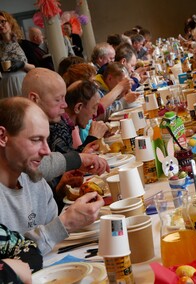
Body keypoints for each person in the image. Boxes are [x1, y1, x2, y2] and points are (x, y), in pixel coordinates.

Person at [0, 97, 104, 255]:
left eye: (46, 140)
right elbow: (10, 260)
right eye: (36, 140)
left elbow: (54, 243)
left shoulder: (33, 179)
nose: (47, 151)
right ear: (2, 137)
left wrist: (61, 194)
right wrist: (65, 224)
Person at [0, 10, 35, 98]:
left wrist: (23, 64)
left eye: (2, 21)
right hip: (5, 84)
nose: (0, 25)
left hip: (23, 81)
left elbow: (36, 68)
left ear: (10, 23)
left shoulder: (24, 44)